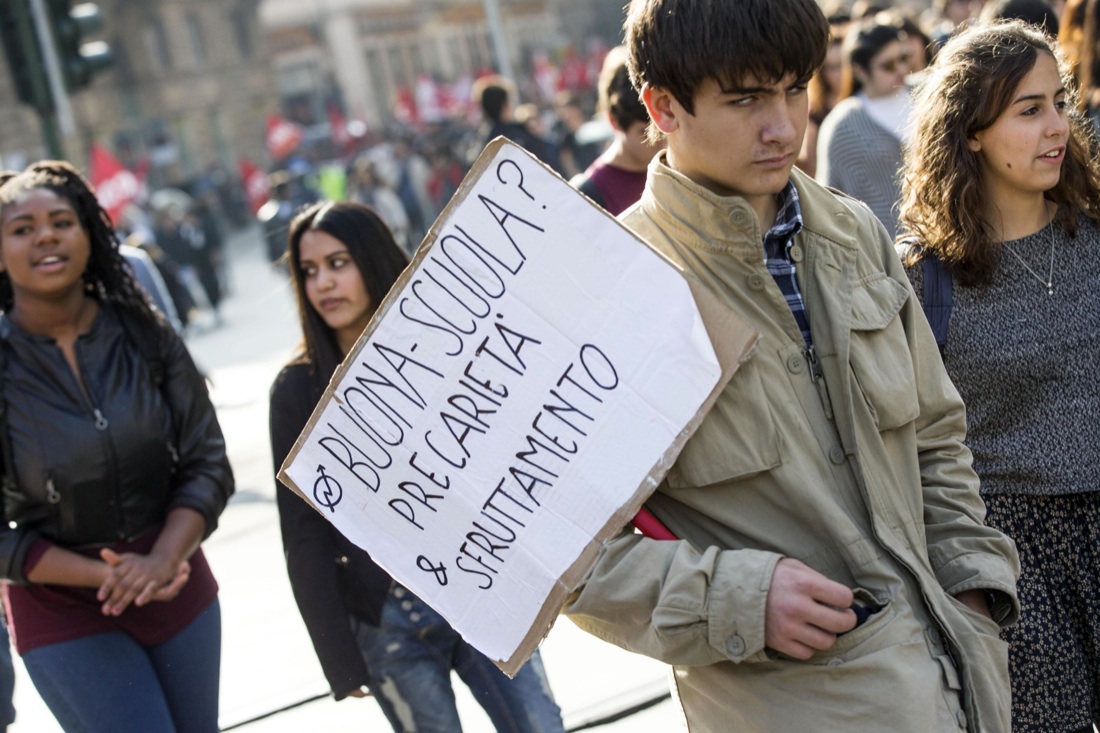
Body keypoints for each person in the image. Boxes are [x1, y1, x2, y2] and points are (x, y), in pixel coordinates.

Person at [562, 1, 1020, 731]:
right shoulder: (614, 286)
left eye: (794, 89)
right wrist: (738, 599)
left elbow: (935, 432)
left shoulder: (853, 230)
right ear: (662, 106)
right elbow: (570, 556)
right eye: (746, 100)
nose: (782, 125)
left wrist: (971, 589)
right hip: (792, 703)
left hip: (958, 682)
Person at [268, 201, 566, 733]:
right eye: (309, 271)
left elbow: (504, 463)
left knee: (539, 725)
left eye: (339, 263)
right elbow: (303, 532)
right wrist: (337, 655)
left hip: (474, 593)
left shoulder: (445, 349)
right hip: (383, 620)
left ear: (372, 259)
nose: (324, 284)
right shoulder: (295, 390)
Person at [897, 20, 1100, 732]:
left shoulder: (1095, 232)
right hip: (1011, 559)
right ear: (972, 130)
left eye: (1058, 102)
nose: (1056, 127)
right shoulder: (923, 280)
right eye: (1028, 109)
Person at [0, 161, 233, 731]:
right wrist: (105, 576)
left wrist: (163, 559)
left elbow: (207, 461)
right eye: (22, 229)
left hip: (177, 584)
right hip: (61, 606)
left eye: (62, 221)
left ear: (90, 234)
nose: (46, 236)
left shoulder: (145, 330)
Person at [817, 17, 913, 236]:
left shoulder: (926, 94)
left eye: (904, 58)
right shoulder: (843, 124)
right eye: (888, 65)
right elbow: (829, 202)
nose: (900, 69)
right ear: (860, 70)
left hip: (944, 239)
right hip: (881, 248)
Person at [571, 45, 665, 216]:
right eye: (645, 133)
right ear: (614, 122)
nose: (661, 142)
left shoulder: (677, 170)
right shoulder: (589, 194)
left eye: (663, 131)